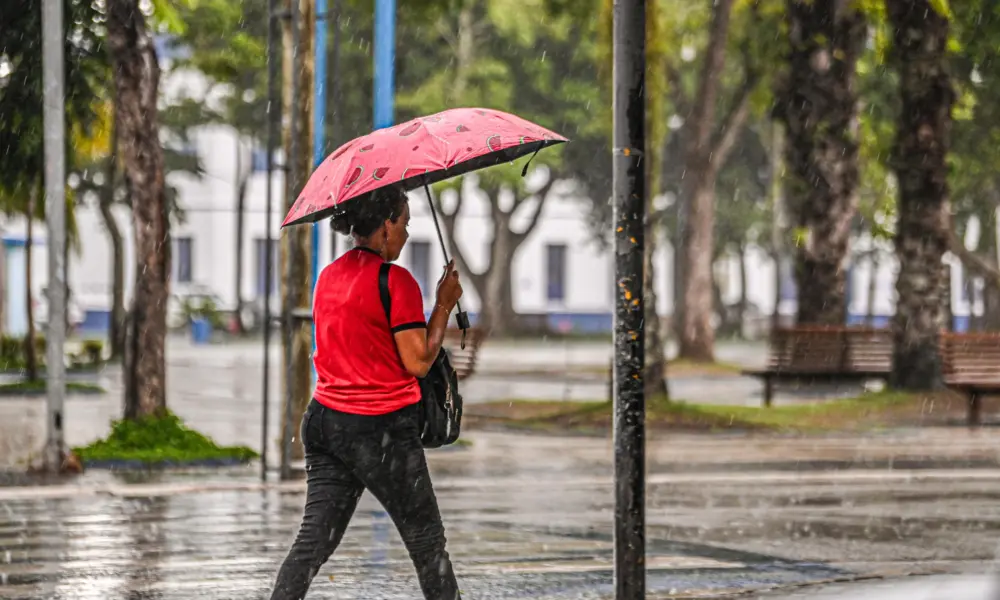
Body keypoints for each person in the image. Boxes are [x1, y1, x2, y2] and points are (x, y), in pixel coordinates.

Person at [270, 186, 463, 600]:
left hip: (325, 422)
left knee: (311, 546)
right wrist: (444, 305)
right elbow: (418, 362)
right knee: (428, 543)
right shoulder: (396, 282)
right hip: (380, 429)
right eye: (405, 223)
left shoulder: (328, 278)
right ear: (387, 225)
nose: (407, 234)